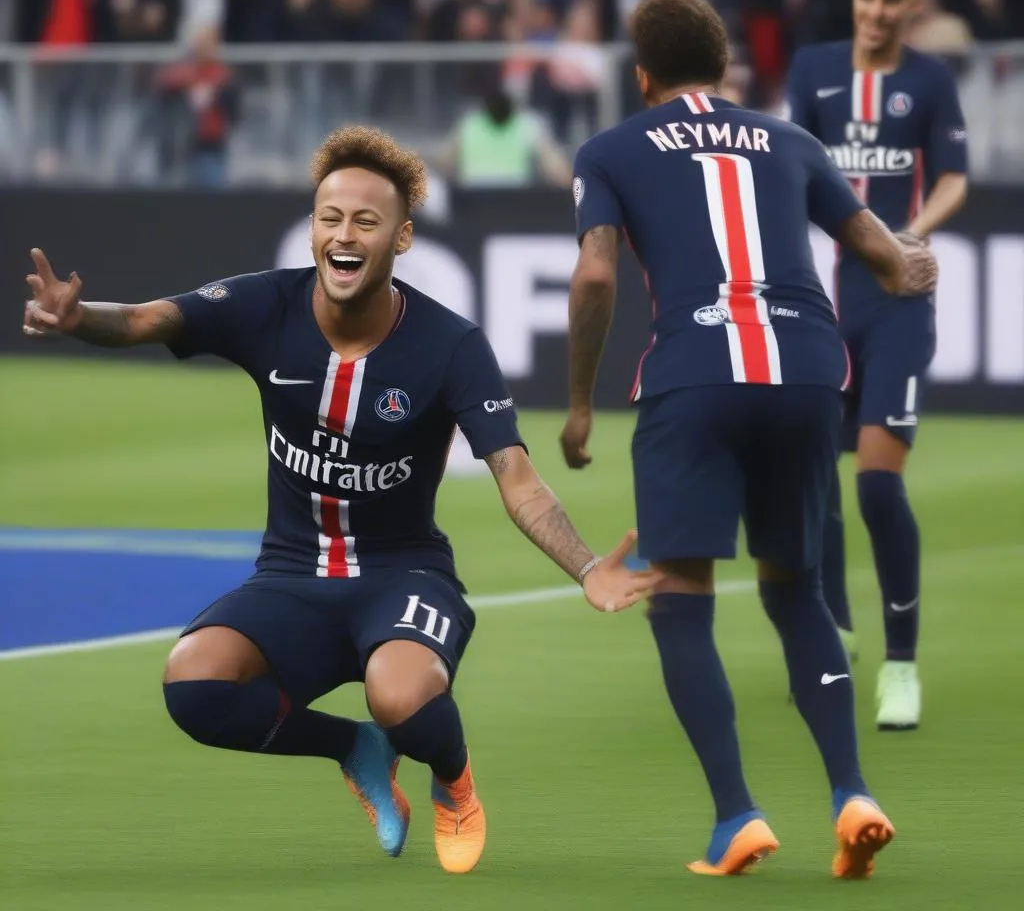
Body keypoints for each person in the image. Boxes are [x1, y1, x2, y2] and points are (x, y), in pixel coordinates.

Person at [22, 126, 656, 875]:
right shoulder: (265, 305)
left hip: (404, 575)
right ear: (314, 228)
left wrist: (587, 568)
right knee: (194, 685)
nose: (344, 234)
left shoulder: (450, 345)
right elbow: (142, 320)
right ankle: (352, 746)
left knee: (401, 695)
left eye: (366, 221)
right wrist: (78, 319)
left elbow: (517, 474)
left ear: (402, 237)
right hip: (291, 575)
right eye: (330, 218)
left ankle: (452, 780)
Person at [558, 0, 937, 878]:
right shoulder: (791, 140)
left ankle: (737, 816)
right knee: (796, 590)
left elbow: (594, 277)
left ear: (641, 72)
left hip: (695, 375)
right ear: (725, 67)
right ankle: (851, 792)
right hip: (806, 374)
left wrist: (579, 401)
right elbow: (885, 258)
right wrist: (913, 264)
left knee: (681, 594)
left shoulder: (610, 149)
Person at [787, 0, 969, 730]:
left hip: (897, 299)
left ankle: (901, 664)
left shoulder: (929, 80)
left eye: (892, 0)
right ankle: (833, 626)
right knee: (811, 479)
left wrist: (906, 239)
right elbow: (789, 168)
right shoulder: (813, 69)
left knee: (875, 483)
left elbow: (955, 174)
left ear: (913, 5)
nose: (876, 13)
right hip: (823, 301)